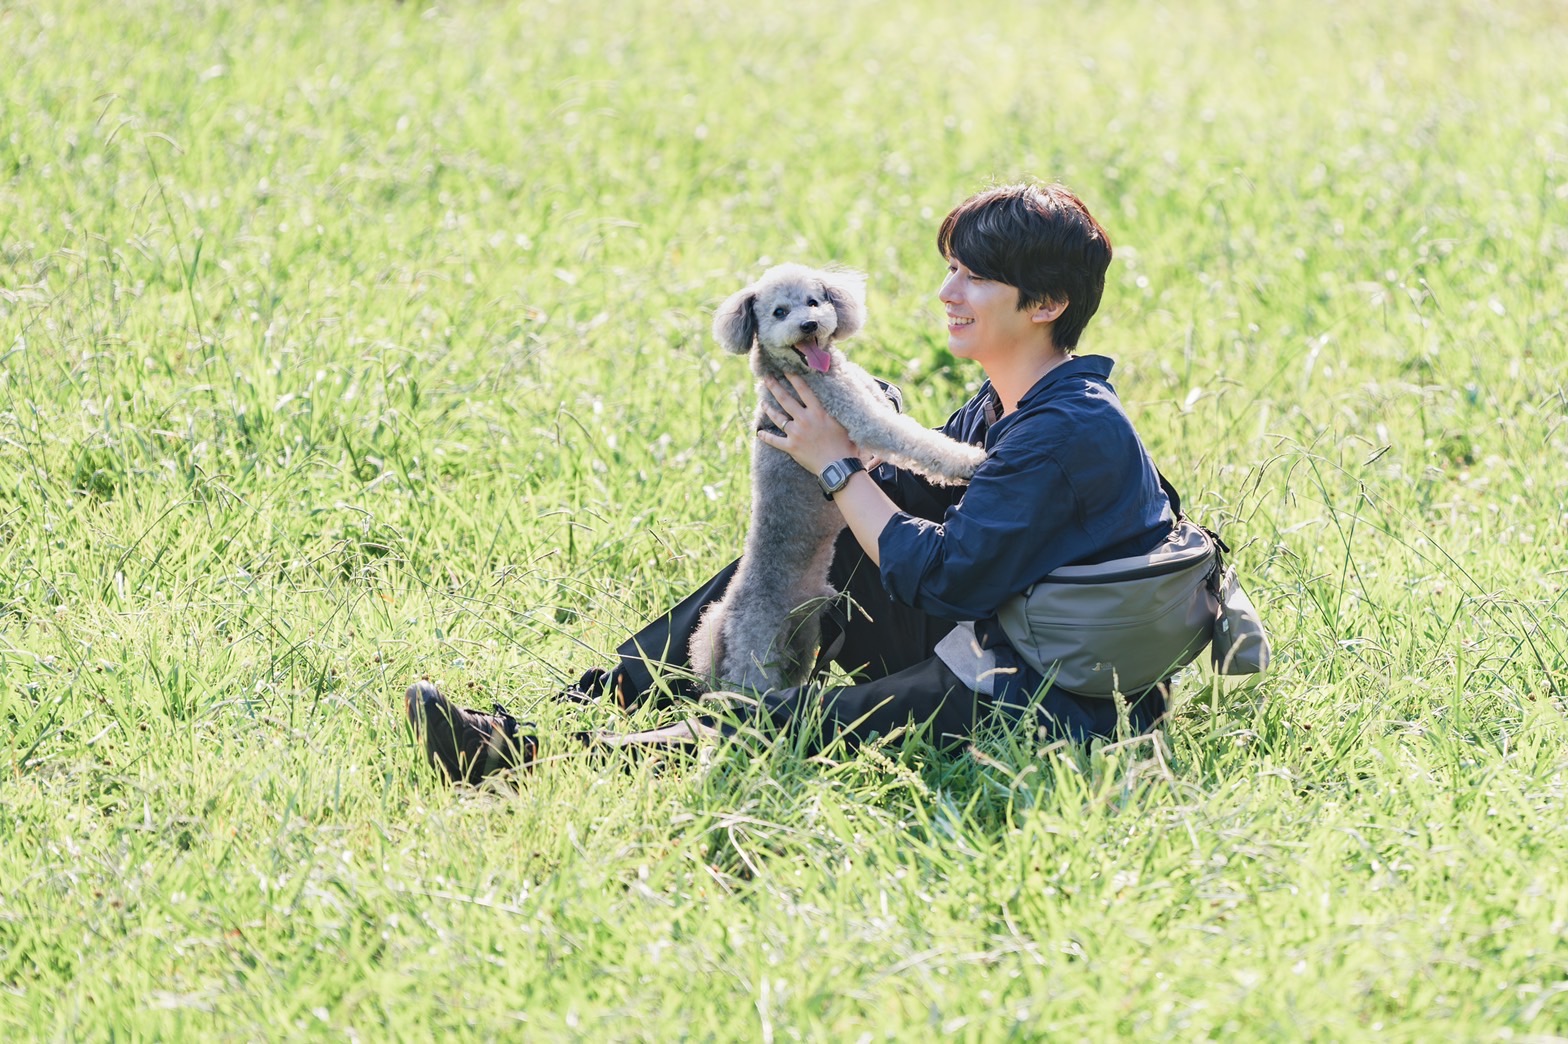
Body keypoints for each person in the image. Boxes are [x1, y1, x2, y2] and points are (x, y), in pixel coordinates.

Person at [405, 182, 1177, 784]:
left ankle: (541, 758)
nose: (948, 293)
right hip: (990, 629)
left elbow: (948, 576)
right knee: (782, 561)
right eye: (951, 270)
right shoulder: (1006, 401)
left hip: (1042, 693)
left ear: (1046, 304)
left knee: (790, 718)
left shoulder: (1068, 428)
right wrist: (853, 450)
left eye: (976, 278)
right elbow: (929, 499)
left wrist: (836, 466)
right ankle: (609, 693)